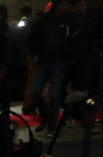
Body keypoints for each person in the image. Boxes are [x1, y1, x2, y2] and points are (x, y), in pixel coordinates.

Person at [27, 0, 73, 134]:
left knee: (54, 95)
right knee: (34, 92)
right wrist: (34, 54)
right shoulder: (44, 20)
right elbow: (32, 37)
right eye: (63, 4)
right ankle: (46, 116)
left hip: (59, 62)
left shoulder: (69, 20)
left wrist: (67, 57)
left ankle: (51, 124)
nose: (66, 7)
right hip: (43, 61)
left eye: (67, 5)